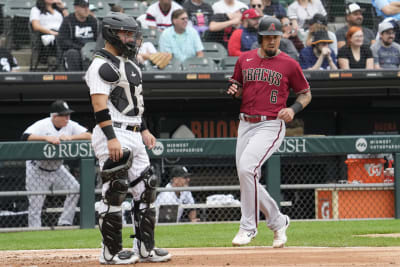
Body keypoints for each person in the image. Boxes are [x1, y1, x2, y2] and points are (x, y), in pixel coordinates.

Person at [85, 12, 171, 264]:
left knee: (146, 189)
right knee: (115, 191)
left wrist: (144, 129)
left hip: (134, 130)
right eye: (125, 33)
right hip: (113, 132)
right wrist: (111, 138)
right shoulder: (100, 65)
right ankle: (109, 252)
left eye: (132, 33)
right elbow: (99, 106)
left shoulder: (130, 64)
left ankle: (145, 248)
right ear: (112, 33)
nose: (131, 38)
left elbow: (135, 104)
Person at [226, 16, 311, 247]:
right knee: (247, 175)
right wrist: (234, 90)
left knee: (247, 169)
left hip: (270, 123)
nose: (272, 41)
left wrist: (293, 109)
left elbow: (305, 93)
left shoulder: (289, 63)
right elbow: (238, 89)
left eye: (275, 37)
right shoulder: (245, 59)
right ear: (260, 38)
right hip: (245, 122)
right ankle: (278, 221)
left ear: (280, 38)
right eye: (267, 37)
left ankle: (248, 227)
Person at [22, 100, 91, 228]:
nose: (67, 118)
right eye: (64, 115)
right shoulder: (43, 124)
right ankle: (34, 231)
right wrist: (45, 138)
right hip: (37, 169)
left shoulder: (70, 125)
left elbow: (89, 135)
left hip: (58, 168)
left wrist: (71, 138)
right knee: (36, 205)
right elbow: (25, 136)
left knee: (75, 188)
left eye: (68, 115)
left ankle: (65, 222)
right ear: (54, 116)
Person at [58, 0, 98, 71]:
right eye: (83, 7)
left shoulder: (93, 21)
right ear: (76, 8)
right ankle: (76, 79)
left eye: (87, 6)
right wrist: (81, 48)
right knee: (72, 53)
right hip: (76, 50)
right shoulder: (68, 21)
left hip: (91, 50)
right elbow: (63, 41)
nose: (86, 9)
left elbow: (98, 39)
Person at [29, 0, 68, 71]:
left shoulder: (58, 10)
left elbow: (69, 21)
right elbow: (36, 26)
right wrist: (52, 32)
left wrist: (62, 7)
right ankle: (58, 66)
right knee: (57, 39)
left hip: (60, 34)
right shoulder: (36, 9)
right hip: (45, 35)